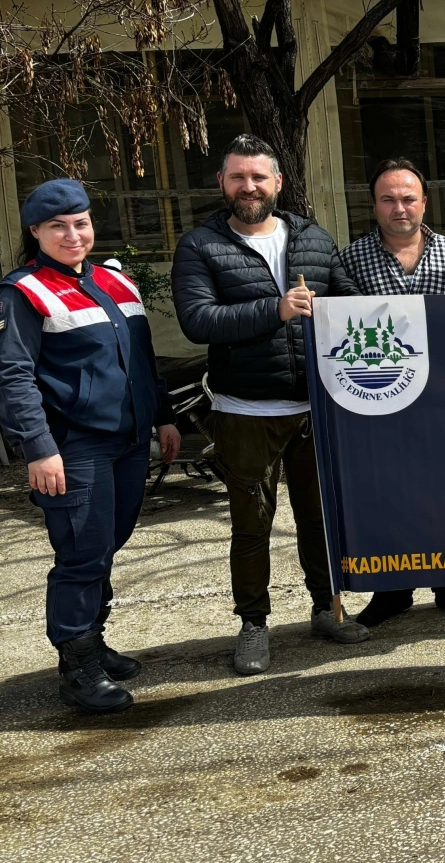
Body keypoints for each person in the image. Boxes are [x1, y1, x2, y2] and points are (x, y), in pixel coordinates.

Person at [172, 134, 367, 676]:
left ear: (278, 182)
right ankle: (254, 624)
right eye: (238, 176)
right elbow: (198, 321)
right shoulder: (200, 245)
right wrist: (275, 310)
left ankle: (327, 608)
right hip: (246, 410)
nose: (249, 186)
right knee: (252, 526)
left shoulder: (313, 238)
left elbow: (350, 302)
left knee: (319, 518)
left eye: (259, 176)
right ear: (222, 183)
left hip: (315, 406)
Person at [0, 180, 182, 713]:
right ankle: (77, 667)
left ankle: (93, 641)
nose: (73, 235)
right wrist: (38, 448)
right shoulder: (20, 293)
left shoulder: (115, 280)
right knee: (81, 554)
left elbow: (142, 359)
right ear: (35, 231)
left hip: (128, 441)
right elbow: (13, 378)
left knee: (106, 544)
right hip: (74, 448)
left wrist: (163, 417)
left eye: (81, 223)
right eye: (58, 226)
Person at [341, 158, 445, 627]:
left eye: (407, 199)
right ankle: (392, 589)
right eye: (388, 199)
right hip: (380, 396)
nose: (399, 208)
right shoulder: (349, 261)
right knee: (388, 493)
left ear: (424, 202)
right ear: (373, 204)